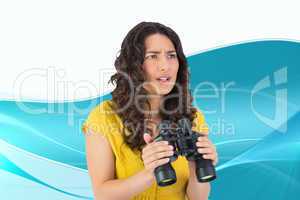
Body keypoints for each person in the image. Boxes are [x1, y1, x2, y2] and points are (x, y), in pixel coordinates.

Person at [82, 21, 218, 200]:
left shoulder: (193, 117)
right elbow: (102, 194)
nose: (165, 66)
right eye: (153, 56)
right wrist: (149, 174)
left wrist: (197, 166)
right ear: (134, 65)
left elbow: (198, 198)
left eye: (171, 56)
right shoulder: (104, 118)